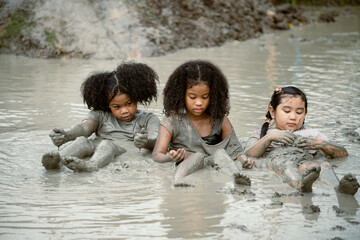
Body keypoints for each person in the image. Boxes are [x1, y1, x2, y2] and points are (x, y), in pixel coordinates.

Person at [42, 62, 160, 172]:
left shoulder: (149, 118)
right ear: (108, 105)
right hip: (96, 146)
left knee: (106, 144)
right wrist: (67, 135)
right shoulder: (100, 115)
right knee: (81, 141)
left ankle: (91, 165)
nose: (124, 111)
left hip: (122, 151)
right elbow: (84, 128)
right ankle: (56, 161)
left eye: (129, 104)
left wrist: (146, 141)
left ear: (136, 97)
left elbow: (157, 138)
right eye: (117, 107)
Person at [152, 60, 255, 185]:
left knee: (221, 153)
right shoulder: (172, 121)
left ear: (213, 96)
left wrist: (244, 161)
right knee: (197, 157)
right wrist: (170, 157)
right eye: (192, 97)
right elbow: (157, 155)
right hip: (188, 164)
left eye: (205, 97)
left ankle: (236, 177)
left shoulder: (219, 119)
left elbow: (236, 151)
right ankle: (178, 181)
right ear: (180, 95)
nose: (199, 102)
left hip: (216, 163)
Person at [245, 86, 359, 195]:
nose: (293, 117)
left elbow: (343, 153)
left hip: (304, 159)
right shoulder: (264, 133)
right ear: (272, 112)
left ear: (305, 113)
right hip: (281, 161)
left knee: (322, 166)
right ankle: (301, 185)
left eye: (299, 112)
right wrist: (270, 138)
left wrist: (320, 144)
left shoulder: (312, 133)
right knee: (288, 168)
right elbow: (249, 154)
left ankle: (339, 188)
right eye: (287, 111)